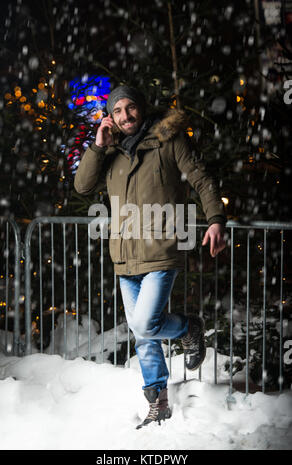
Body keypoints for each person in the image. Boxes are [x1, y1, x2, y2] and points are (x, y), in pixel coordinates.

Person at [74, 85, 227, 429]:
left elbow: (202, 179)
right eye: (117, 111)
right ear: (110, 117)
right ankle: (158, 403)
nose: (125, 116)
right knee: (143, 335)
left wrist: (216, 219)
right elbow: (82, 186)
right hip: (125, 255)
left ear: (140, 108)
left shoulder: (168, 140)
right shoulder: (109, 151)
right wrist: (98, 145)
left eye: (130, 108)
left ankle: (190, 328)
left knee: (144, 324)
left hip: (161, 249)